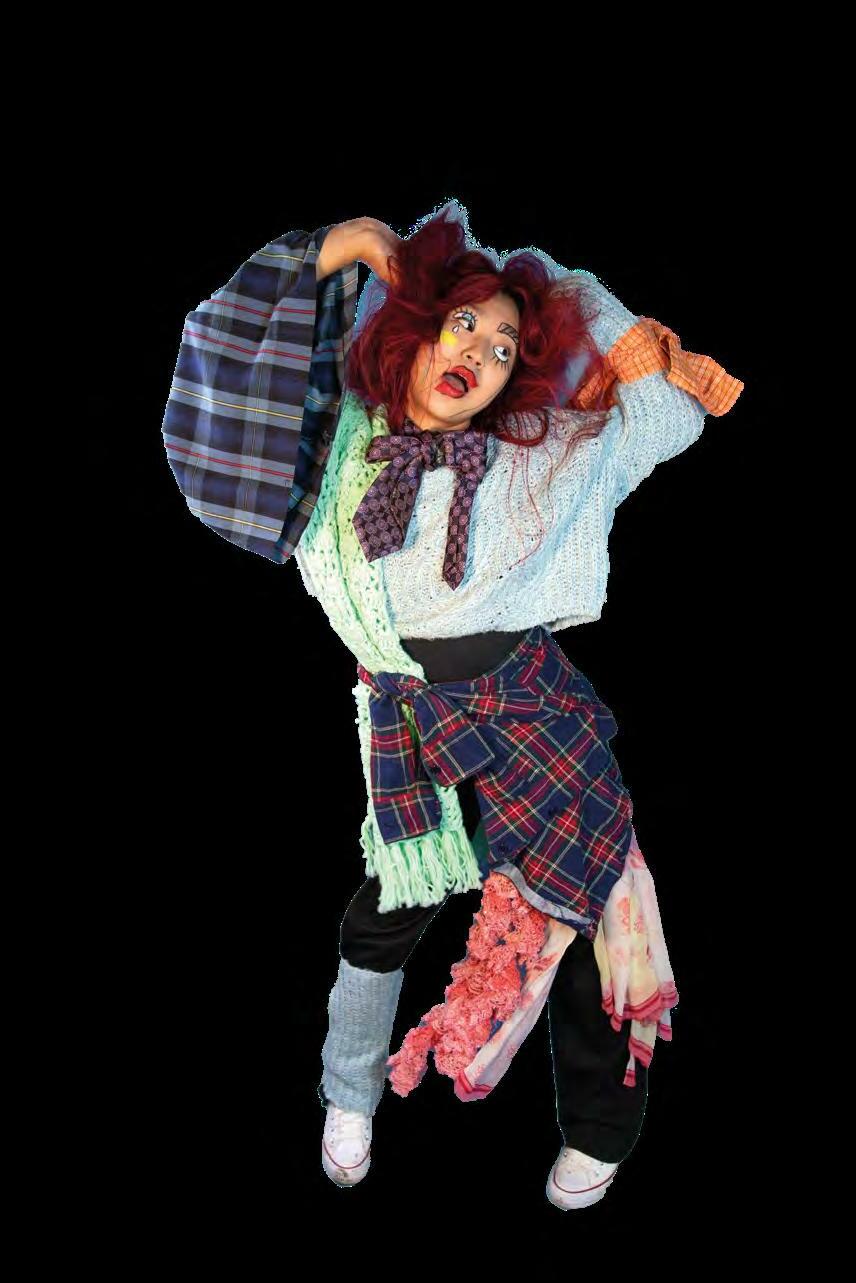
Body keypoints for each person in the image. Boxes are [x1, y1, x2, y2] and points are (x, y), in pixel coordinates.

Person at [161, 198, 744, 1210]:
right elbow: (224, 382)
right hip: (406, 718)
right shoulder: (330, 446)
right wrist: (339, 245)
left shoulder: (539, 455)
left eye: (505, 344)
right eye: (462, 322)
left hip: (531, 708)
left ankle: (600, 1127)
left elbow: (665, 418)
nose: (476, 349)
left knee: (590, 896)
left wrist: (579, 300)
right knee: (390, 907)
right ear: (414, 330)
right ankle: (349, 1092)